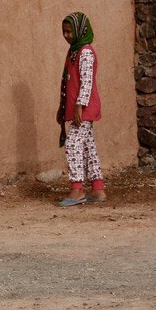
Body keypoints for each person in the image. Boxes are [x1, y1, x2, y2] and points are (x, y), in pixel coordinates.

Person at [57, 11, 106, 206]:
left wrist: (79, 106)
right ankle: (97, 188)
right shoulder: (74, 52)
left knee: (72, 144)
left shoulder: (85, 52)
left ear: (80, 30)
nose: (67, 35)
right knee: (87, 146)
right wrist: (62, 109)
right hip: (78, 108)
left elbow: (86, 82)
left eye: (70, 31)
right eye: (64, 32)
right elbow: (68, 82)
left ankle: (76, 189)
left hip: (83, 109)